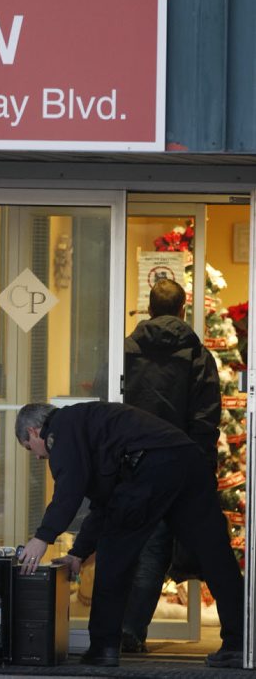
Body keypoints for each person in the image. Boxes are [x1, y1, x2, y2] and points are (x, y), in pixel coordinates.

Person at [15, 401, 244, 668]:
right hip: (187, 460)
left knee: (114, 557)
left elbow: (69, 489)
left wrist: (42, 537)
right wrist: (78, 553)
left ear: (33, 431)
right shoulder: (90, 426)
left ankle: (103, 647)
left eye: (30, 449)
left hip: (150, 467)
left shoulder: (61, 428)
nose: (39, 457)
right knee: (214, 553)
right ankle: (239, 643)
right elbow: (103, 506)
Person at [121, 278, 221, 653]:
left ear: (148, 308)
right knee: (157, 549)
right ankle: (130, 630)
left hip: (129, 464)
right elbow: (206, 419)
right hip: (176, 465)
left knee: (122, 546)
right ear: (183, 310)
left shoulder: (126, 352)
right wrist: (201, 471)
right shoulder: (197, 357)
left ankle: (112, 631)